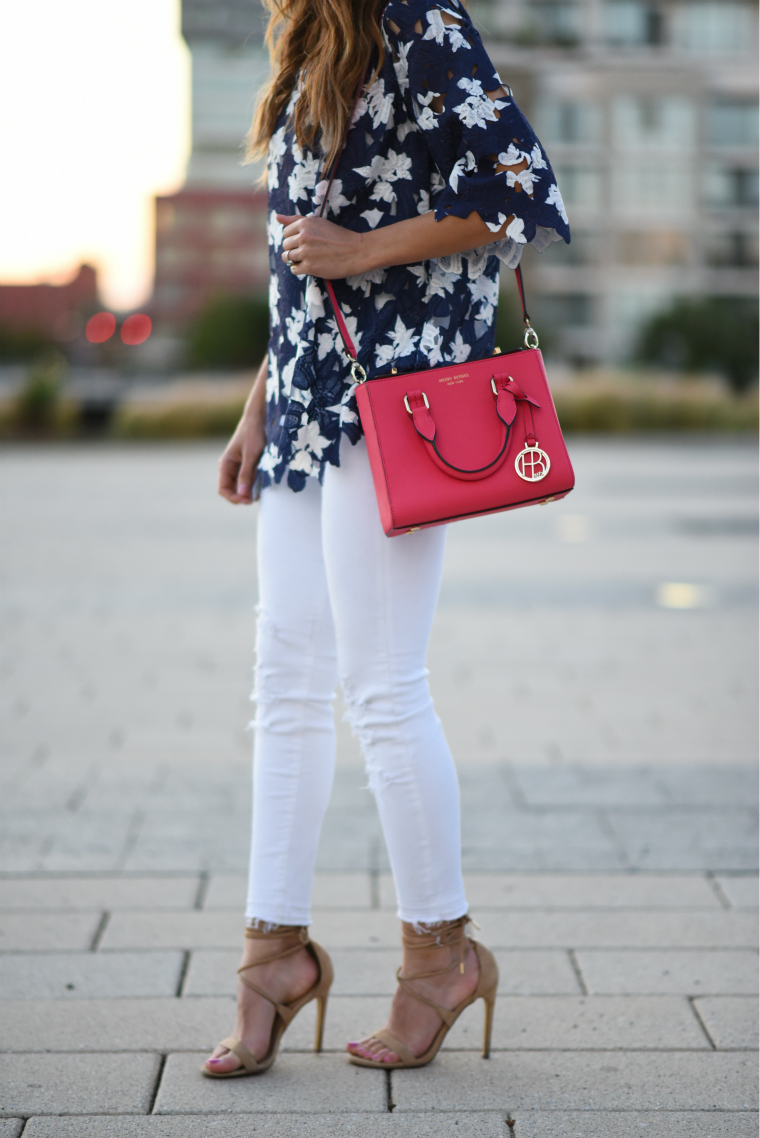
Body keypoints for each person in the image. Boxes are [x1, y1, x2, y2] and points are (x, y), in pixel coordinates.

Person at [203, 0, 569, 1078]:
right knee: (284, 678)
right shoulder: (312, 41)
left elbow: (515, 191)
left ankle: (440, 958)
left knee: (381, 684)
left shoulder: (420, 18)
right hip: (305, 408)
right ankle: (272, 951)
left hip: (402, 406)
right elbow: (297, 270)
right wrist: (257, 399)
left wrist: (361, 248)